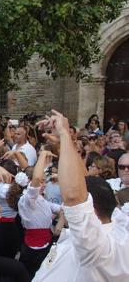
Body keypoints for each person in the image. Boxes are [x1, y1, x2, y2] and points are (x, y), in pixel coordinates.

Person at [33, 110, 129, 281]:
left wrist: (64, 131)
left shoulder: (101, 248)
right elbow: (84, 181)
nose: (65, 206)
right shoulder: (113, 222)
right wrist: (66, 145)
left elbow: (73, 196)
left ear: (89, 209)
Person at [18, 151, 62, 277]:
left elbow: (62, 208)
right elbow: (36, 179)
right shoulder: (27, 199)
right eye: (41, 182)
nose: (43, 184)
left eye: (44, 181)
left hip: (45, 244)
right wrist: (43, 156)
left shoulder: (41, 199)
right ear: (29, 183)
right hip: (33, 248)